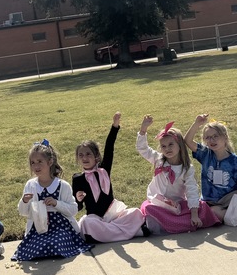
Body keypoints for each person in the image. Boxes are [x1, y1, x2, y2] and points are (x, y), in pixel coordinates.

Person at [72, 112, 146, 243]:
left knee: (136, 212)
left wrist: (115, 126)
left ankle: (107, 234)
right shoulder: (78, 179)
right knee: (87, 223)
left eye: (88, 154)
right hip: (96, 218)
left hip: (114, 215)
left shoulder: (104, 169)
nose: (84, 158)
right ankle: (132, 232)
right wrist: (78, 199)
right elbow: (77, 208)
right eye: (81, 155)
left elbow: (109, 146)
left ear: (96, 156)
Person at [12, 140, 91, 261]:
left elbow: (73, 210)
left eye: (39, 162)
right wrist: (24, 201)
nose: (36, 166)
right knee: (37, 243)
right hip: (38, 228)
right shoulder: (31, 185)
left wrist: (56, 203)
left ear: (50, 162)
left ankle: (54, 248)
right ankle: (43, 249)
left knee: (57, 241)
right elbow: (24, 212)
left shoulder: (62, 185)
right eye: (32, 163)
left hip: (61, 227)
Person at [184, 115, 237, 226]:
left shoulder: (235, 161)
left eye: (215, 136)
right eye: (208, 137)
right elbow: (188, 141)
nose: (212, 140)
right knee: (215, 213)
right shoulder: (205, 154)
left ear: (225, 137)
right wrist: (196, 124)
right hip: (212, 201)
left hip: (231, 197)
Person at [137, 116, 213, 234]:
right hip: (159, 205)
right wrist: (143, 130)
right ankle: (169, 225)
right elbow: (143, 149)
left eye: (171, 144)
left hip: (177, 205)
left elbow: (191, 190)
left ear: (179, 145)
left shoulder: (186, 169)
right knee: (148, 208)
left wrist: (194, 214)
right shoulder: (158, 160)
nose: (167, 148)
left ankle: (176, 224)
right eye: (163, 146)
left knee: (202, 207)